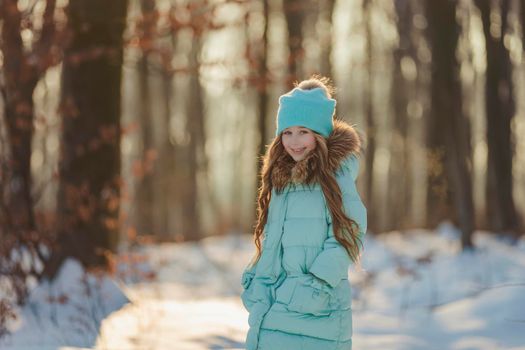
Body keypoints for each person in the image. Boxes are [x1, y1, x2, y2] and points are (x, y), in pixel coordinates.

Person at [240, 75, 367, 350]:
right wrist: (257, 277)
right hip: (276, 304)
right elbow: (275, 241)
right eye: (287, 132)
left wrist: (317, 284)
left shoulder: (336, 175)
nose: (294, 141)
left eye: (303, 131)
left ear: (319, 133)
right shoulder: (281, 178)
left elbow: (351, 229)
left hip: (316, 309)